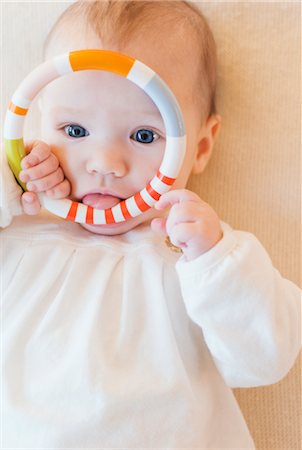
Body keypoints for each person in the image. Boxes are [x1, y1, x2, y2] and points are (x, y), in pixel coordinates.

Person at [1, 1, 300, 448]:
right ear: (39, 123)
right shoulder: (17, 236)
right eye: (75, 130)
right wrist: (9, 190)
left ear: (198, 146)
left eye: (144, 136)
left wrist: (216, 258)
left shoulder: (199, 256)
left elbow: (265, 358)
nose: (105, 164)